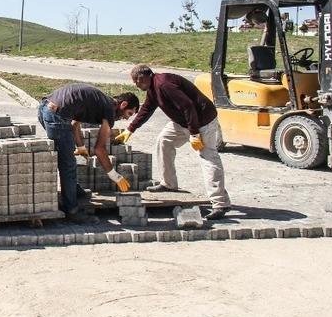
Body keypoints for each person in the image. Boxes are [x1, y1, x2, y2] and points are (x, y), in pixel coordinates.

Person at [116, 65, 231, 219]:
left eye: (135, 82)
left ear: (142, 78)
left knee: (208, 158)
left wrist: (194, 133)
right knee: (164, 141)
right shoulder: (153, 88)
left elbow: (188, 106)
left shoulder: (164, 84)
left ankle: (220, 204)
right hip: (182, 122)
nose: (136, 85)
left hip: (202, 122)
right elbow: (147, 109)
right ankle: (168, 183)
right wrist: (130, 129)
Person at [37, 84, 140, 222]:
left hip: (45, 108)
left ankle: (73, 190)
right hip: (57, 116)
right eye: (129, 114)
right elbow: (99, 149)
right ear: (124, 104)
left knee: (67, 157)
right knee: (68, 165)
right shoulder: (108, 110)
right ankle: (72, 211)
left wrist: (81, 147)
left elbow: (74, 124)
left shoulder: (99, 102)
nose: (127, 119)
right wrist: (114, 175)